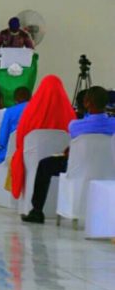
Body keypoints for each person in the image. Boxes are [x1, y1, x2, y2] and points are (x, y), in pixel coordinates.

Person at [22, 86, 115, 224]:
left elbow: (78, 144)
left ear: (87, 103)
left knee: (44, 165)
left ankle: (36, 211)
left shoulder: (75, 125)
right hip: (108, 169)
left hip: (79, 169)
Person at [9, 75, 76, 200]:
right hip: (61, 162)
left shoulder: (30, 112)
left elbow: (20, 139)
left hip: (31, 160)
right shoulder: (70, 114)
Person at [0, 86, 32, 176]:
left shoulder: (10, 112)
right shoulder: (37, 110)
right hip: (32, 151)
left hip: (13, 151)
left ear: (15, 99)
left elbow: (2, 140)